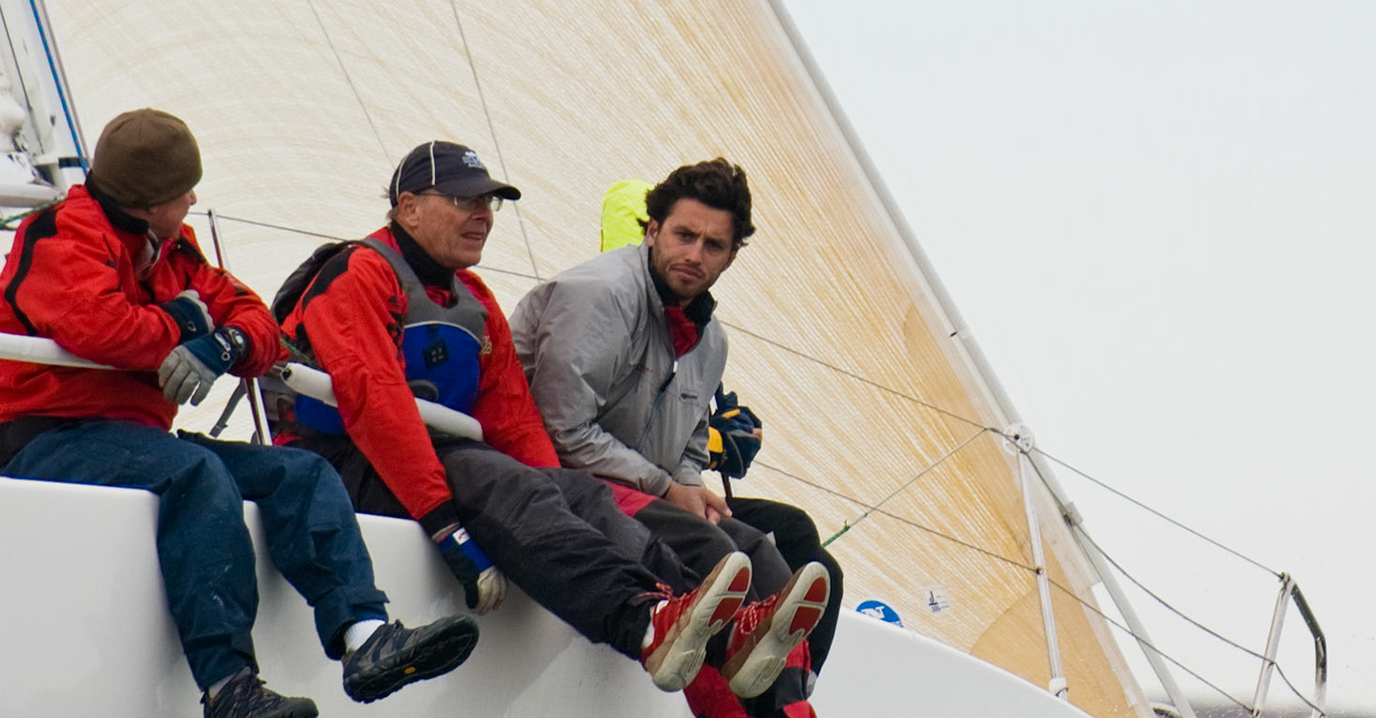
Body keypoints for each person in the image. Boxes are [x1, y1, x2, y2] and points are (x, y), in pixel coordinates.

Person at [275, 140, 805, 700]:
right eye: (463, 201)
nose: (481, 216)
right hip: (341, 461)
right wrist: (446, 526)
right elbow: (375, 406)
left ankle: (716, 635)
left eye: (489, 204)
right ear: (408, 207)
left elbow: (517, 425)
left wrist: (561, 491)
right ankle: (644, 623)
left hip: (431, 460)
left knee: (571, 491)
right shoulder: (359, 274)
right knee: (501, 480)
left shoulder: (473, 300)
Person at [0, 109, 479, 718]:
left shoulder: (172, 246)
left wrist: (225, 344)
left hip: (133, 438)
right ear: (150, 203)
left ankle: (365, 637)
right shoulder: (56, 235)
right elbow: (100, 328)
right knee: (196, 474)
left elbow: (257, 321)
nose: (194, 198)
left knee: (297, 472)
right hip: (43, 436)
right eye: (182, 192)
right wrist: (191, 320)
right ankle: (230, 688)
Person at [513, 163, 837, 718]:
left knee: (781, 554)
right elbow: (560, 430)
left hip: (636, 486)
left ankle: (790, 706)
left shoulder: (710, 339)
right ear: (653, 229)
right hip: (555, 477)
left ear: (731, 256)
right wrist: (669, 487)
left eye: (713, 245)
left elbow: (688, 442)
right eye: (684, 235)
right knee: (716, 555)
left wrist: (689, 481)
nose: (695, 254)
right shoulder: (602, 296)